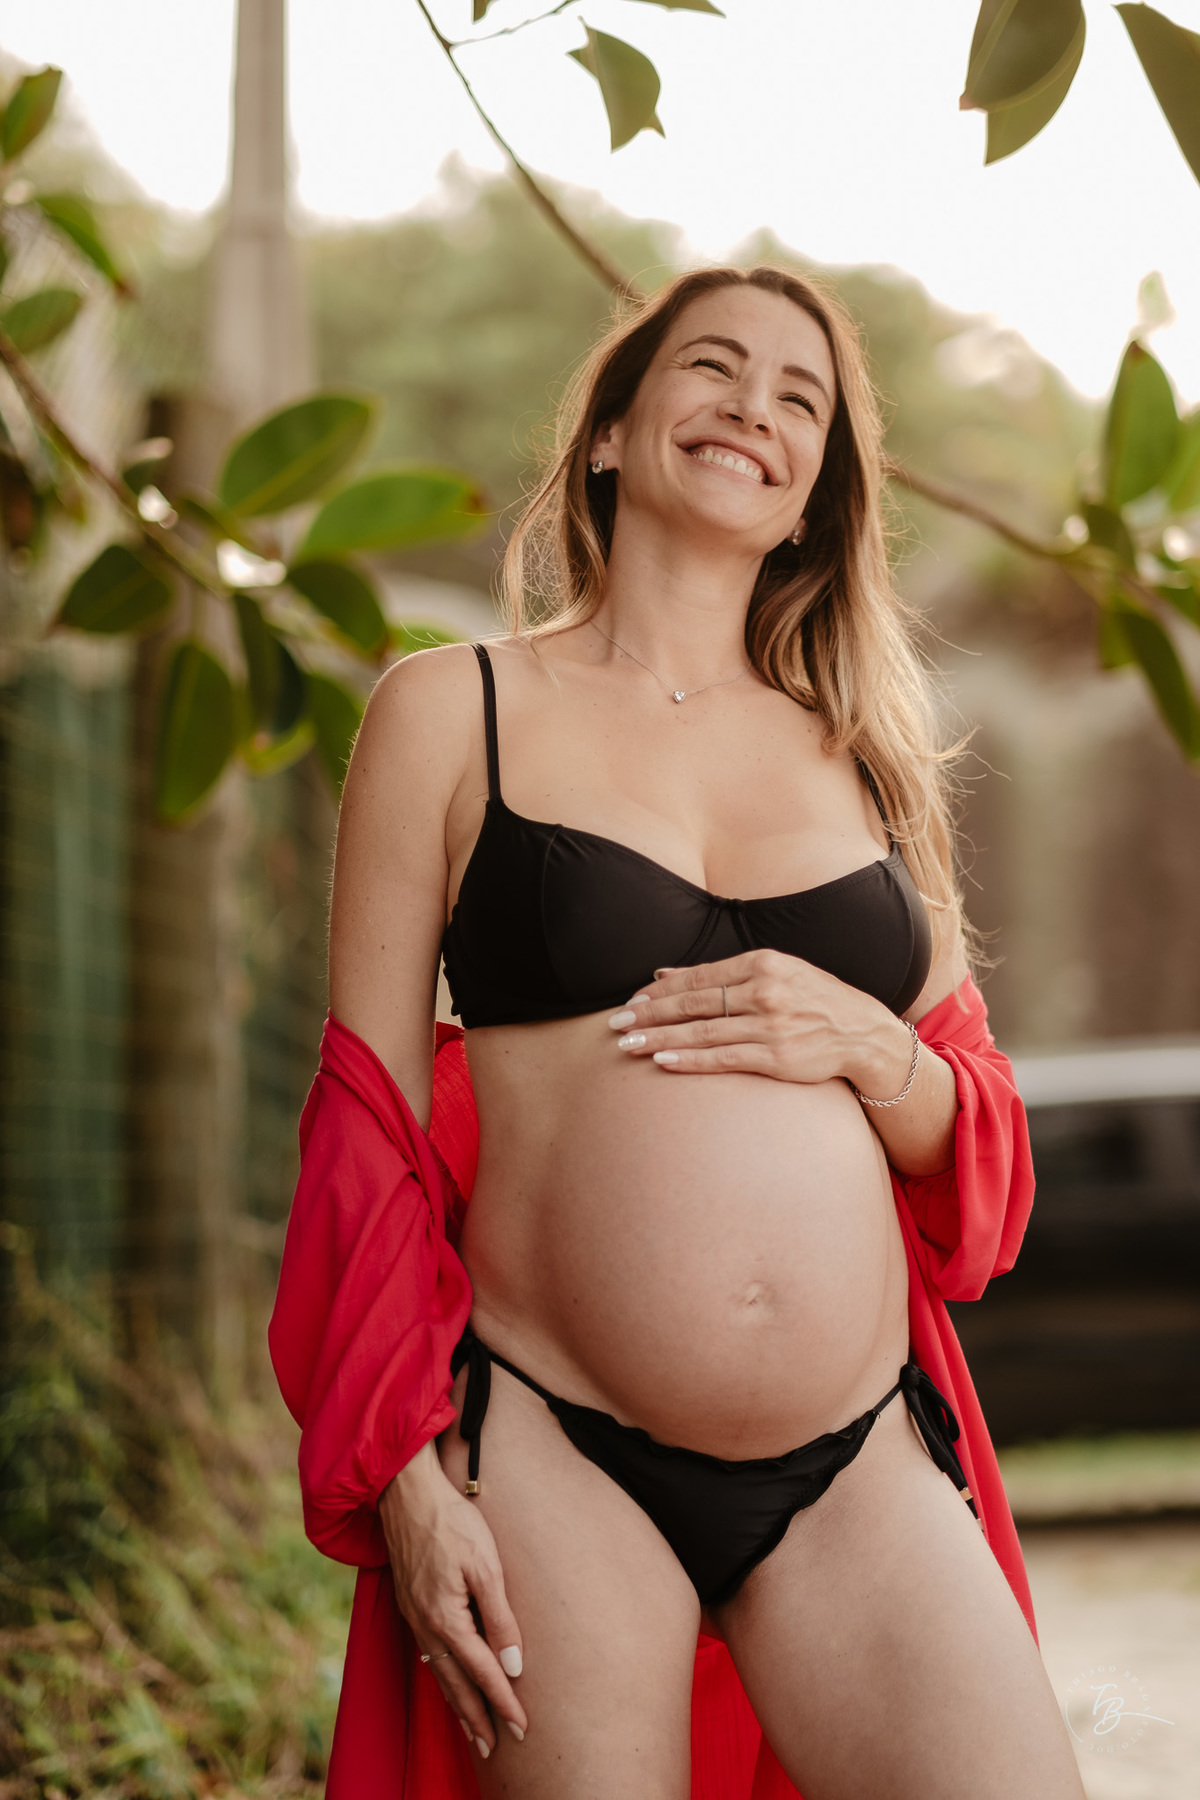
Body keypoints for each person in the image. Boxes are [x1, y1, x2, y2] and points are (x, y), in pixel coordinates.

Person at [272, 265, 1086, 1798]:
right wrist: (401, 1482)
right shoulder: (453, 711)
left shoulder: (873, 762)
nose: (753, 412)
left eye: (801, 400)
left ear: (813, 500)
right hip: (559, 1445)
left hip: (858, 1462)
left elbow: (971, 1153)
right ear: (609, 433)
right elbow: (365, 1120)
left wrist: (868, 1044)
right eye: (713, 369)